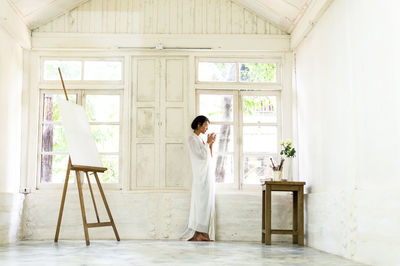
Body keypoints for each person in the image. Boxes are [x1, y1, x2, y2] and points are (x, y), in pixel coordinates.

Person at [182, 115, 216, 241]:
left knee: (205, 204)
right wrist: (207, 143)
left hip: (206, 176)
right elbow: (201, 156)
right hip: (200, 177)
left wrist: (210, 144)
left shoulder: (201, 139)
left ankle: (201, 233)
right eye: (206, 125)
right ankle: (197, 233)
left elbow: (209, 157)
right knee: (200, 204)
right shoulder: (192, 139)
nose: (207, 128)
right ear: (199, 125)